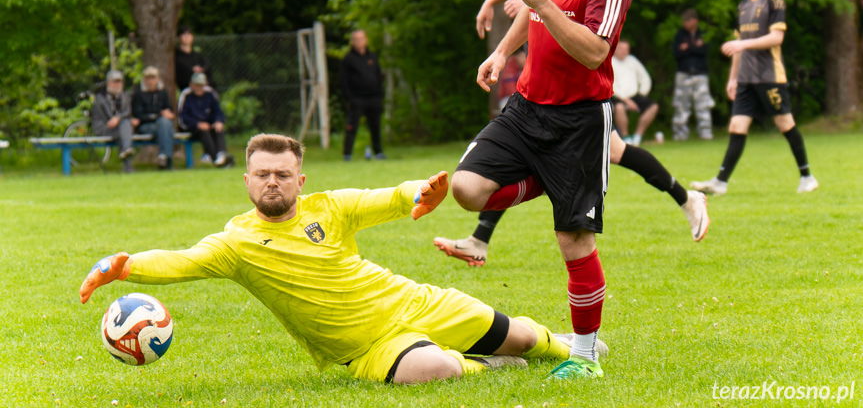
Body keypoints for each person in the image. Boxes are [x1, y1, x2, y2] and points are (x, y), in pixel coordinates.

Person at [78, 133, 579, 384]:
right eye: (262, 174)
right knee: (438, 371)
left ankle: (579, 351)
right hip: (365, 349)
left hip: (411, 303)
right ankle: (486, 366)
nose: (272, 181)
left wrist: (418, 192)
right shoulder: (235, 244)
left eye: (282, 173)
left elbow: (384, 197)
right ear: (247, 181)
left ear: (300, 180)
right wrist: (124, 266)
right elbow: (181, 261)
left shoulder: (330, 208)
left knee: (528, 337)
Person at [435, 0, 709, 270]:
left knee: (616, 153)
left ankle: (686, 198)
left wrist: (526, 3)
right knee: (587, 156)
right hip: (539, 97)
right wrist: (498, 13)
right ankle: (480, 238)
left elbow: (566, 23)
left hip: (581, 98)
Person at [449, 0, 631, 380]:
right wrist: (504, 53)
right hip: (527, 107)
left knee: (574, 242)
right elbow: (531, 14)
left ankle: (586, 356)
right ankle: (540, 183)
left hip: (579, 121)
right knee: (466, 189)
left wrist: (546, 6)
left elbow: (596, 52)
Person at [692, 0, 818, 195]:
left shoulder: (774, 1)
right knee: (737, 126)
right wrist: (733, 78)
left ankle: (807, 176)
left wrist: (743, 45)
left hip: (769, 77)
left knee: (785, 123)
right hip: (746, 79)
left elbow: (776, 38)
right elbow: (739, 43)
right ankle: (720, 182)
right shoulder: (743, 6)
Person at [340, 30, 385, 161]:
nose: (359, 41)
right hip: (357, 99)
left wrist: (379, 94)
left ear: (366, 40)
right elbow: (343, 80)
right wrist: (349, 98)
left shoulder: (372, 56)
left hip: (373, 98)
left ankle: (379, 152)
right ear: (352, 42)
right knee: (352, 126)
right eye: (356, 39)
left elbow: (378, 76)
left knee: (375, 126)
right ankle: (347, 154)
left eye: (361, 38)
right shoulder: (348, 59)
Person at [672, 9, 714, 140]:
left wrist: (688, 48)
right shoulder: (679, 35)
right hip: (683, 73)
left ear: (695, 21)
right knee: (681, 104)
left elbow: (705, 51)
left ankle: (705, 133)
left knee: (703, 104)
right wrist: (694, 48)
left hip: (700, 74)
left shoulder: (703, 34)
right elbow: (676, 53)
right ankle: (680, 134)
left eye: (688, 20)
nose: (685, 23)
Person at [611, 39, 659, 145]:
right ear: (615, 49)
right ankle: (626, 137)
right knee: (619, 108)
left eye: (626, 49)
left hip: (635, 95)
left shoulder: (632, 61)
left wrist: (642, 93)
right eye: (621, 49)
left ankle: (638, 136)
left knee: (653, 106)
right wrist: (626, 101)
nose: (624, 51)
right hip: (617, 97)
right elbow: (610, 85)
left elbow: (645, 78)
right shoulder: (610, 61)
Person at [178, 72, 230, 167]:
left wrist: (218, 121)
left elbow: (218, 111)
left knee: (219, 128)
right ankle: (215, 159)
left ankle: (221, 154)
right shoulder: (186, 95)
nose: (199, 88)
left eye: (201, 85)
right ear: (191, 84)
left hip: (209, 125)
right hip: (192, 128)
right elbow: (183, 118)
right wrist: (197, 124)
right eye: (196, 85)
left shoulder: (210, 94)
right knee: (203, 131)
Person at [132, 66, 176, 169]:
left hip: (162, 125)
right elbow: (139, 115)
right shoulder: (138, 94)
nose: (151, 81)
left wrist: (168, 114)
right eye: (148, 78)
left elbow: (169, 109)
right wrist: (158, 115)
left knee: (165, 124)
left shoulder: (163, 93)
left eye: (153, 78)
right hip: (145, 126)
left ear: (157, 79)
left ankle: (163, 157)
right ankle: (167, 160)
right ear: (144, 79)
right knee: (166, 126)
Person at [91, 70, 135, 173]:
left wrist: (118, 118)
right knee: (125, 128)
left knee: (124, 127)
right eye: (114, 82)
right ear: (108, 83)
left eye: (119, 82)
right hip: (104, 127)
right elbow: (106, 117)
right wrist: (117, 119)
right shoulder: (100, 98)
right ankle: (127, 157)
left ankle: (126, 154)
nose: (117, 84)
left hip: (120, 128)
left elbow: (127, 112)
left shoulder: (125, 97)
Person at [175, 26, 211, 91]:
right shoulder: (176, 55)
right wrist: (191, 70)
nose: (187, 36)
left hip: (202, 88)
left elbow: (207, 66)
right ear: (179, 37)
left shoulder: (198, 55)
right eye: (184, 34)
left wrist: (201, 69)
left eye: (189, 34)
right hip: (185, 88)